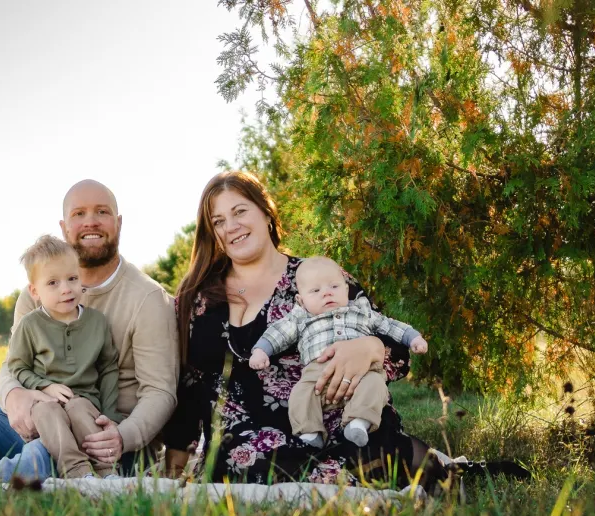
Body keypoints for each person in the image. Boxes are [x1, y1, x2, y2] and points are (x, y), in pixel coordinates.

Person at [163, 171, 434, 485]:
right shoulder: (197, 298)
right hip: (243, 449)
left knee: (379, 460)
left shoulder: (316, 277)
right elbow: (189, 384)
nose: (231, 226)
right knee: (255, 462)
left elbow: (396, 348)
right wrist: (176, 461)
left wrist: (370, 347)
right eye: (218, 220)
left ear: (266, 212)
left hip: (334, 430)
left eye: (239, 212)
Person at [0, 180, 178, 480]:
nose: (90, 221)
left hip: (107, 444)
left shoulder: (148, 299)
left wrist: (120, 435)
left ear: (118, 223)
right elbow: (13, 364)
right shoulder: (36, 295)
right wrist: (13, 395)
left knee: (46, 451)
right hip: (41, 424)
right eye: (79, 214)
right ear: (65, 227)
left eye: (101, 212)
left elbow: (160, 392)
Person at [249, 256, 428, 449]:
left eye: (334, 287)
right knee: (300, 395)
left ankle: (358, 422)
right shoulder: (300, 316)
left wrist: (413, 337)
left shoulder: (361, 310)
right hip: (317, 376)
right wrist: (261, 351)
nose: (326, 294)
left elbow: (389, 325)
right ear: (301, 299)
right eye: (316, 290)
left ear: (346, 288)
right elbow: (278, 332)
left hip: (362, 373)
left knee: (376, 384)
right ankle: (309, 432)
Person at [7, 234, 121, 479]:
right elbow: (18, 366)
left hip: (85, 402)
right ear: (34, 291)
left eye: (72, 278)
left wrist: (111, 416)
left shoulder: (96, 322)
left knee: (79, 408)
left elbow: (109, 368)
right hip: (46, 402)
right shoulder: (30, 325)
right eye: (53, 283)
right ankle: (77, 472)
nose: (66, 289)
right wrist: (45, 386)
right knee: (46, 411)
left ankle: (106, 473)